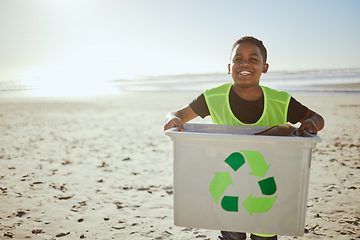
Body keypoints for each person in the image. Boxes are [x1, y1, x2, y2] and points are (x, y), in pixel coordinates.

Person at [163, 36, 325, 240]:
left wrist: (311, 124)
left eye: (253, 59)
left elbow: (316, 117)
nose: (244, 63)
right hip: (227, 181)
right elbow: (177, 114)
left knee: (264, 235)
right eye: (237, 59)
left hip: (269, 183)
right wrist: (173, 120)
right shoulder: (213, 97)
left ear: (265, 67)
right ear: (229, 66)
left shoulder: (280, 101)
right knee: (232, 235)